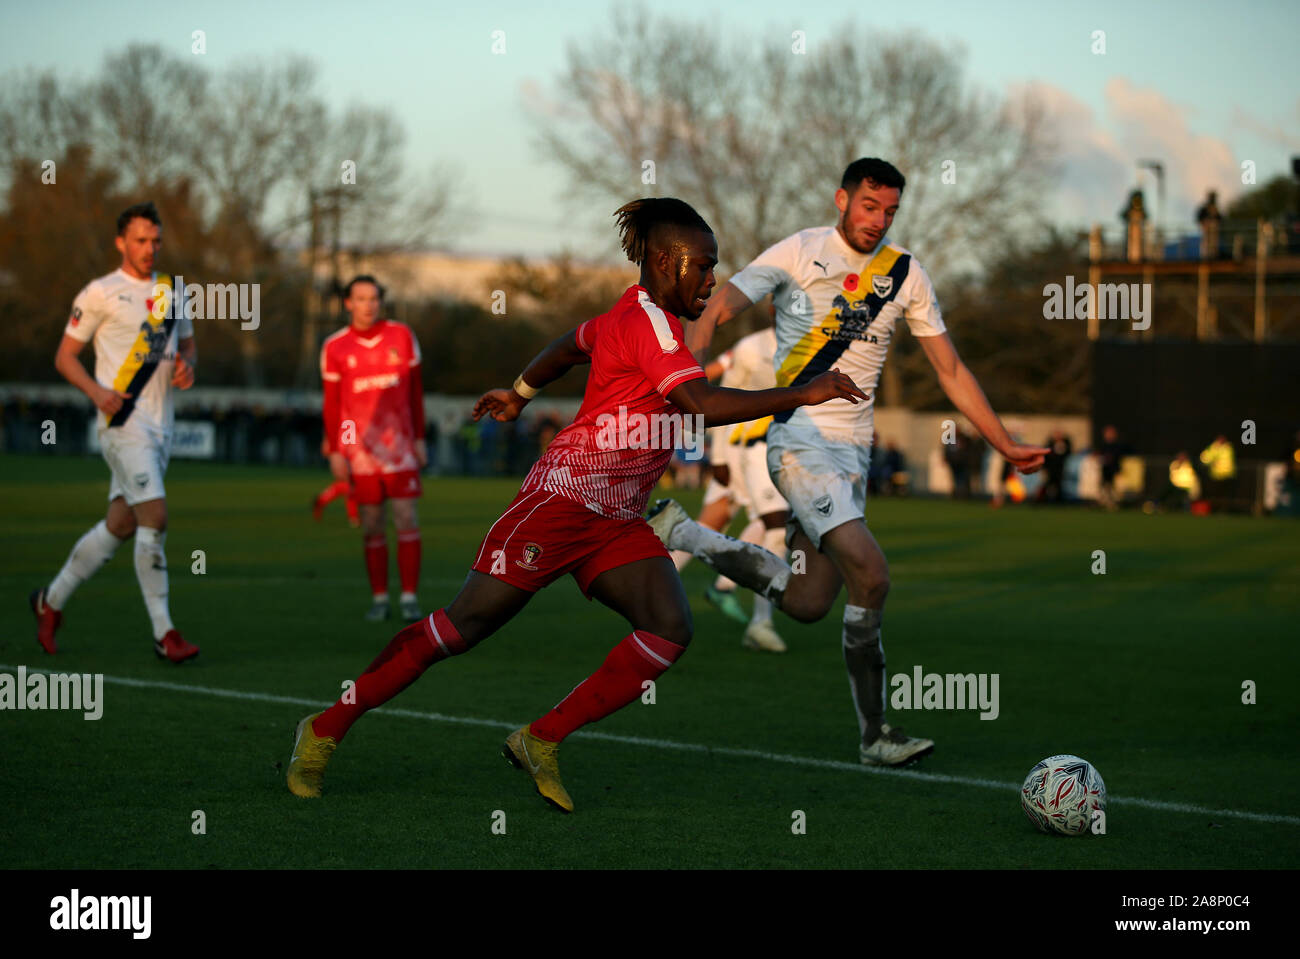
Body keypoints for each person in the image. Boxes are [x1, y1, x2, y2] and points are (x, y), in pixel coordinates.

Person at [286, 197, 865, 811]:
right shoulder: (650, 327)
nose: (712, 278)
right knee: (461, 629)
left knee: (669, 628)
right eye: (704, 265)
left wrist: (519, 393)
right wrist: (806, 391)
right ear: (667, 264)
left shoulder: (629, 313)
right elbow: (700, 405)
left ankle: (542, 738)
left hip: (613, 520)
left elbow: (568, 344)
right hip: (559, 503)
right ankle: (325, 728)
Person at [655, 158, 1048, 767]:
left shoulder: (905, 273)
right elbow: (714, 310)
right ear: (842, 199)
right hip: (800, 447)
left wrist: (1001, 441)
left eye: (890, 211)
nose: (878, 220)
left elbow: (949, 369)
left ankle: (684, 534)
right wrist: (690, 377)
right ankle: (875, 735)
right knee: (874, 574)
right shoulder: (799, 250)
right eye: (869, 207)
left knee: (810, 601)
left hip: (853, 460)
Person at [30, 202, 200, 662]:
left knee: (122, 524)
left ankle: (52, 601)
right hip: (122, 425)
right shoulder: (100, 292)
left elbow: (187, 346)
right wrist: (96, 391)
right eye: (141, 240)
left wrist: (188, 368)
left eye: (156, 240)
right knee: (156, 517)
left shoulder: (172, 291)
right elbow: (65, 357)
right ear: (121, 242)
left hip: (161, 428)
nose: (150, 248)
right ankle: (165, 634)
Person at [320, 276, 427, 623]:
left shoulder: (402, 336)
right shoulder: (336, 346)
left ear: (381, 301)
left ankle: (409, 597)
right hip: (359, 449)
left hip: (400, 446)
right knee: (371, 523)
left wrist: (420, 439)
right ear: (348, 304)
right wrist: (339, 450)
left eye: (373, 298)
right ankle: (380, 598)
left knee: (407, 518)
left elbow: (415, 393)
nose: (368, 305)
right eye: (360, 299)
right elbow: (335, 404)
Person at [1199, 433, 1236, 511]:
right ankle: (1214, 510)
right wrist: (1211, 462)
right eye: (1220, 439)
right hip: (1216, 475)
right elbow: (1204, 458)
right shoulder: (1213, 447)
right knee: (1215, 494)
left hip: (1228, 475)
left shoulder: (1228, 447)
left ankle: (1224, 510)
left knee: (1226, 495)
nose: (1222, 440)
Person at [1095, 424, 1128, 511]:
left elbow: (1118, 457)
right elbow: (1099, 456)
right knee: (1105, 487)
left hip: (1114, 470)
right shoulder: (1102, 445)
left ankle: (1114, 504)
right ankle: (1105, 503)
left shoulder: (1118, 446)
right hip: (1105, 470)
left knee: (1115, 489)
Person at [1037, 428, 1072, 503]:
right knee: (1048, 484)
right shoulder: (1049, 444)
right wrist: (1044, 467)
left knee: (1059, 484)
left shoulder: (1065, 443)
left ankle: (1058, 500)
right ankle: (1042, 499)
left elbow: (1068, 453)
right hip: (1050, 468)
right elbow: (1046, 455)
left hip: (1060, 468)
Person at [1196, 190, 1222, 260]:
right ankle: (1205, 256)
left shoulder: (1215, 208)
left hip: (1214, 229)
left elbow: (1220, 219)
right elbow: (1199, 218)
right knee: (1206, 243)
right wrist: (1204, 223)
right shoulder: (1205, 208)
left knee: (1214, 243)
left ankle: (1214, 256)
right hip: (1206, 229)